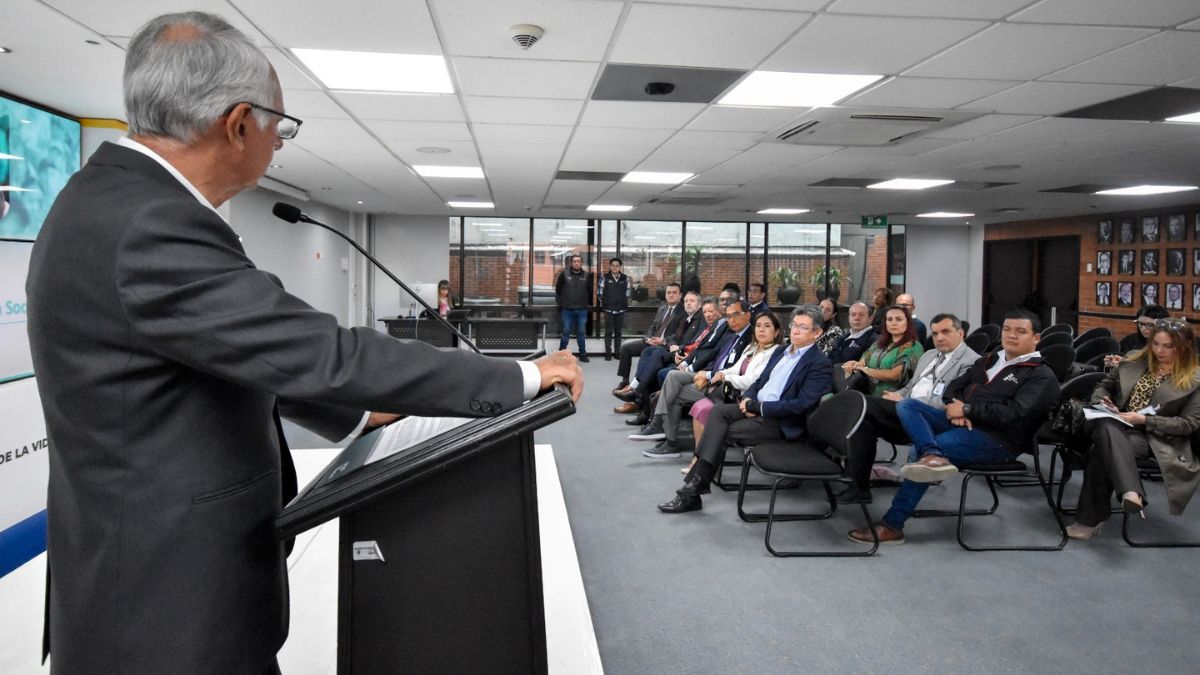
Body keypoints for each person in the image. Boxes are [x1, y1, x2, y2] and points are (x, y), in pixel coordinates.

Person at [23, 12, 584, 673]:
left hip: (155, 591)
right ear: (237, 124)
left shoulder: (116, 202)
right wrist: (516, 377)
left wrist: (351, 412)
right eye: (278, 126)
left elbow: (225, 359)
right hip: (160, 618)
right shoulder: (148, 225)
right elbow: (326, 353)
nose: (280, 144)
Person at [848, 310, 1059, 545]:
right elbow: (954, 388)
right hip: (964, 422)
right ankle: (932, 455)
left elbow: (1014, 414)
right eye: (1007, 329)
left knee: (918, 452)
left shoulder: (1040, 374)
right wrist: (956, 407)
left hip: (997, 440)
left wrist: (968, 411)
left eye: (1020, 331)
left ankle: (892, 525)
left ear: (1036, 338)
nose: (1011, 336)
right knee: (908, 405)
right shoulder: (990, 359)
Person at [657, 306, 833, 513]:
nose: (795, 330)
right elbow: (759, 382)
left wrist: (759, 407)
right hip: (755, 408)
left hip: (780, 422)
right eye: (794, 325)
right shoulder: (780, 352)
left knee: (718, 431)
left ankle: (692, 491)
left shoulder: (819, 364)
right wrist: (749, 398)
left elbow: (801, 405)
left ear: (817, 333)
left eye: (803, 327)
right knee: (717, 413)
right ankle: (695, 486)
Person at [1067, 319, 1200, 540]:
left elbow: (1188, 424)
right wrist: (1104, 400)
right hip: (1113, 422)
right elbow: (1103, 386)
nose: (1159, 350)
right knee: (1107, 426)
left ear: (1184, 346)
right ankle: (1130, 491)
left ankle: (1091, 519)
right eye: (1155, 343)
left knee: (1100, 447)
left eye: (1168, 346)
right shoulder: (1133, 360)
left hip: (1155, 437)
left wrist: (1143, 420)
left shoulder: (1194, 378)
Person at [828, 314, 979, 504]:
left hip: (931, 418)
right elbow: (911, 386)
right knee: (862, 423)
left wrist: (903, 400)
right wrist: (897, 395)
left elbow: (953, 400)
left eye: (946, 332)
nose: (939, 337)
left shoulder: (972, 361)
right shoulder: (929, 355)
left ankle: (830, 448)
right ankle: (858, 488)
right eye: (935, 333)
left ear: (961, 333)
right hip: (904, 408)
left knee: (859, 404)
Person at [634, 304, 773, 458]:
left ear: (747, 315)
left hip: (722, 387)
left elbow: (740, 372)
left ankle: (669, 440)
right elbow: (714, 355)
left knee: (674, 391)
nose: (731, 320)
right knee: (673, 375)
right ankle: (660, 426)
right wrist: (701, 371)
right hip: (712, 374)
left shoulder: (749, 339)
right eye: (728, 316)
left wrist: (709, 376)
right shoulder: (732, 336)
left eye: (735, 315)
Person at [612, 291, 705, 413]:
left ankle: (636, 393)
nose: (688, 303)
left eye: (692, 301)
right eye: (687, 301)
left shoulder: (698, 319)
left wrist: (669, 344)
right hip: (667, 346)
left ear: (699, 305)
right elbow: (672, 335)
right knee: (647, 351)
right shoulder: (682, 316)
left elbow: (693, 342)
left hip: (681, 354)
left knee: (655, 355)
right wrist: (667, 343)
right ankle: (634, 388)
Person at [842, 305, 924, 397]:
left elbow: (895, 375)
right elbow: (862, 363)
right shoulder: (878, 343)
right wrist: (854, 364)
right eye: (889, 319)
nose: (893, 323)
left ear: (908, 322)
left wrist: (866, 370)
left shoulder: (913, 346)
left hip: (892, 398)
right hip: (867, 394)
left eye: (899, 319)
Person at [614, 282, 683, 388]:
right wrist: (648, 338)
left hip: (664, 344)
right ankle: (625, 381)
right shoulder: (662, 309)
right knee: (625, 348)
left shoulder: (683, 312)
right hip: (651, 341)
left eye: (674, 293)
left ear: (680, 295)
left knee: (649, 354)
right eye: (668, 292)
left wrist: (663, 340)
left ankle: (638, 383)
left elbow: (679, 334)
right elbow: (653, 326)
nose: (671, 295)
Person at [555, 253, 593, 361]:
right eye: (574, 261)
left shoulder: (587, 275)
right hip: (567, 309)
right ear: (571, 263)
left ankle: (583, 354)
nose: (576, 263)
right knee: (566, 331)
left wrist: (587, 304)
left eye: (578, 261)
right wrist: (561, 303)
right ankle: (561, 355)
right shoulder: (564, 274)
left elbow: (590, 291)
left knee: (581, 332)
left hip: (582, 309)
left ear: (581, 263)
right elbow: (558, 290)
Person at [597, 257, 630, 361]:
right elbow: (599, 293)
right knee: (608, 332)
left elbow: (628, 293)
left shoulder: (625, 278)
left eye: (617, 266)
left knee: (618, 332)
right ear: (610, 266)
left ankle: (617, 353)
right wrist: (606, 302)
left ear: (620, 267)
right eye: (613, 265)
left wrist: (622, 301)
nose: (615, 267)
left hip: (621, 309)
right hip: (608, 309)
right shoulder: (604, 277)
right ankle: (608, 353)